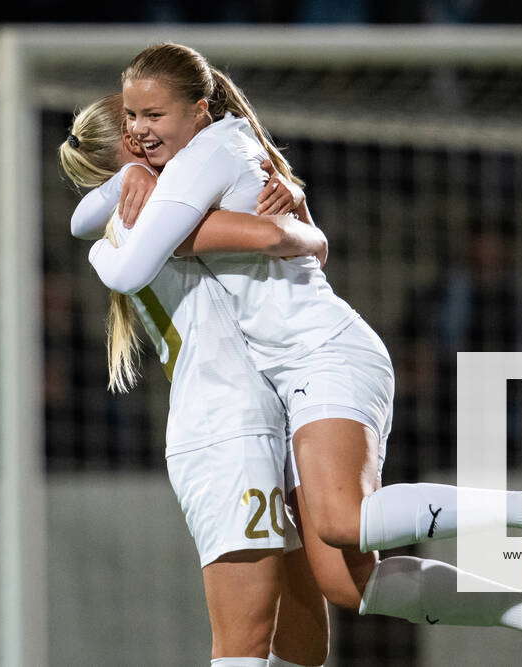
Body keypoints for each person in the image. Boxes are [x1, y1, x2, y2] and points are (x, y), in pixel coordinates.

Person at [87, 42, 522, 666]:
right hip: (264, 400)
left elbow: (235, 241)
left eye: (152, 119)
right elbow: (261, 233)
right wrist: (127, 184)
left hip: (314, 362)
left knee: (332, 539)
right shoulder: (177, 180)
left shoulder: (204, 163)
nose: (141, 136)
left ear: (198, 109)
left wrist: (120, 226)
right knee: (345, 581)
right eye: (132, 126)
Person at [59, 93, 331, 667]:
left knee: (304, 634)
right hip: (225, 429)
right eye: (141, 130)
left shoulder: (151, 211)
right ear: (134, 152)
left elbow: (82, 217)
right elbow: (271, 236)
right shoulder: (152, 220)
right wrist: (304, 224)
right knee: (245, 643)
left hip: (259, 419)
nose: (157, 133)